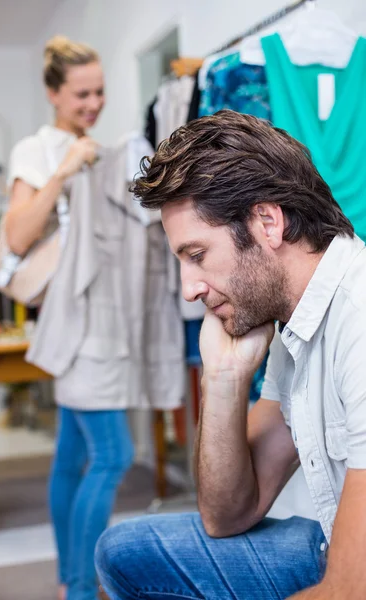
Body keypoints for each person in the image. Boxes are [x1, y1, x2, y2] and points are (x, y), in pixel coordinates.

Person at [95, 109, 366, 599]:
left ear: (267, 222)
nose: (188, 290)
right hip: (335, 550)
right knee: (124, 552)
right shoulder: (298, 320)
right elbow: (227, 514)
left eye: (196, 255)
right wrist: (222, 379)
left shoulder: (359, 319)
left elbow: (350, 592)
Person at [5, 36, 134, 600]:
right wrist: (63, 169)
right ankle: (83, 590)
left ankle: (66, 580)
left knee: (73, 454)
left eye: (100, 91)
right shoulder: (36, 150)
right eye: (82, 93)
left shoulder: (97, 147)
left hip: (96, 316)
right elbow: (15, 235)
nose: (94, 103)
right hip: (76, 324)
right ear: (53, 93)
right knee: (115, 454)